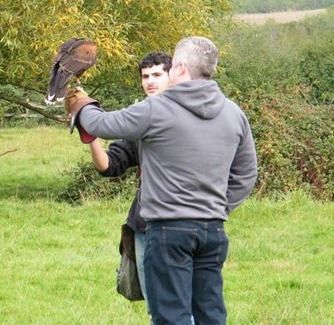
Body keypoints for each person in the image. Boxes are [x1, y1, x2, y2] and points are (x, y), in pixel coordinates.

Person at [66, 37, 257, 325]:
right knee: (211, 315)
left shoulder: (156, 109)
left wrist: (82, 104)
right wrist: (216, 208)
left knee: (171, 317)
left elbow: (101, 125)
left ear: (179, 68)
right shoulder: (234, 113)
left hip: (168, 230)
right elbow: (246, 174)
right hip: (213, 230)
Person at [88, 51, 172, 307]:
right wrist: (90, 134)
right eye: (145, 76)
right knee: (156, 306)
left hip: (179, 225)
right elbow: (110, 165)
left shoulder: (183, 116)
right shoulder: (141, 121)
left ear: (173, 75)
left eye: (157, 74)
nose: (150, 81)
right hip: (145, 225)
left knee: (178, 306)